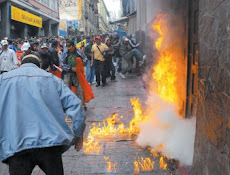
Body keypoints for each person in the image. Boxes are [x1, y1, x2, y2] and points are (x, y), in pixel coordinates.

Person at [0, 54, 86, 175]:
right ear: (39, 65)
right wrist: (78, 135)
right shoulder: (51, 79)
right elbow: (76, 107)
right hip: (49, 144)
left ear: (21, 64)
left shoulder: (3, 80)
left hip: (17, 144)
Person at [61, 40, 86, 109]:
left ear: (74, 46)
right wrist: (70, 68)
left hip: (77, 74)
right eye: (68, 47)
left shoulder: (79, 52)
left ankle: (81, 104)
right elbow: (62, 64)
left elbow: (85, 59)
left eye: (70, 47)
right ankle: (68, 105)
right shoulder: (65, 53)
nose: (69, 49)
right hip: (67, 73)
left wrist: (81, 64)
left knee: (80, 89)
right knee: (66, 89)